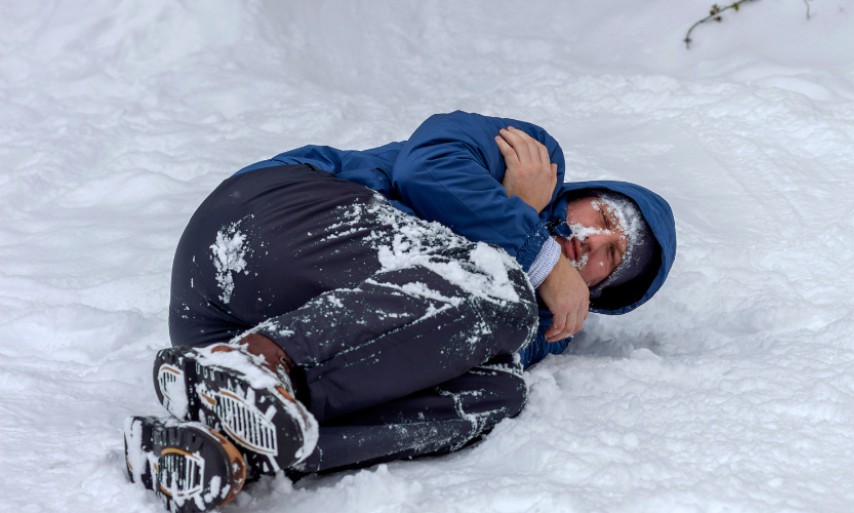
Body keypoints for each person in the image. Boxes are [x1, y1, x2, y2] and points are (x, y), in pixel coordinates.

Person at [121, 111, 676, 513]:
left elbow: (431, 357)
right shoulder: (531, 153)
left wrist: (534, 272)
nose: (592, 239)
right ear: (585, 192)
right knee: (498, 290)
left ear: (599, 290)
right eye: (602, 215)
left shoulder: (541, 320)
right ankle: (262, 364)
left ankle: (236, 444)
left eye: (611, 255)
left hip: (219, 334)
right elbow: (426, 167)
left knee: (495, 390)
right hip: (270, 219)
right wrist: (533, 244)